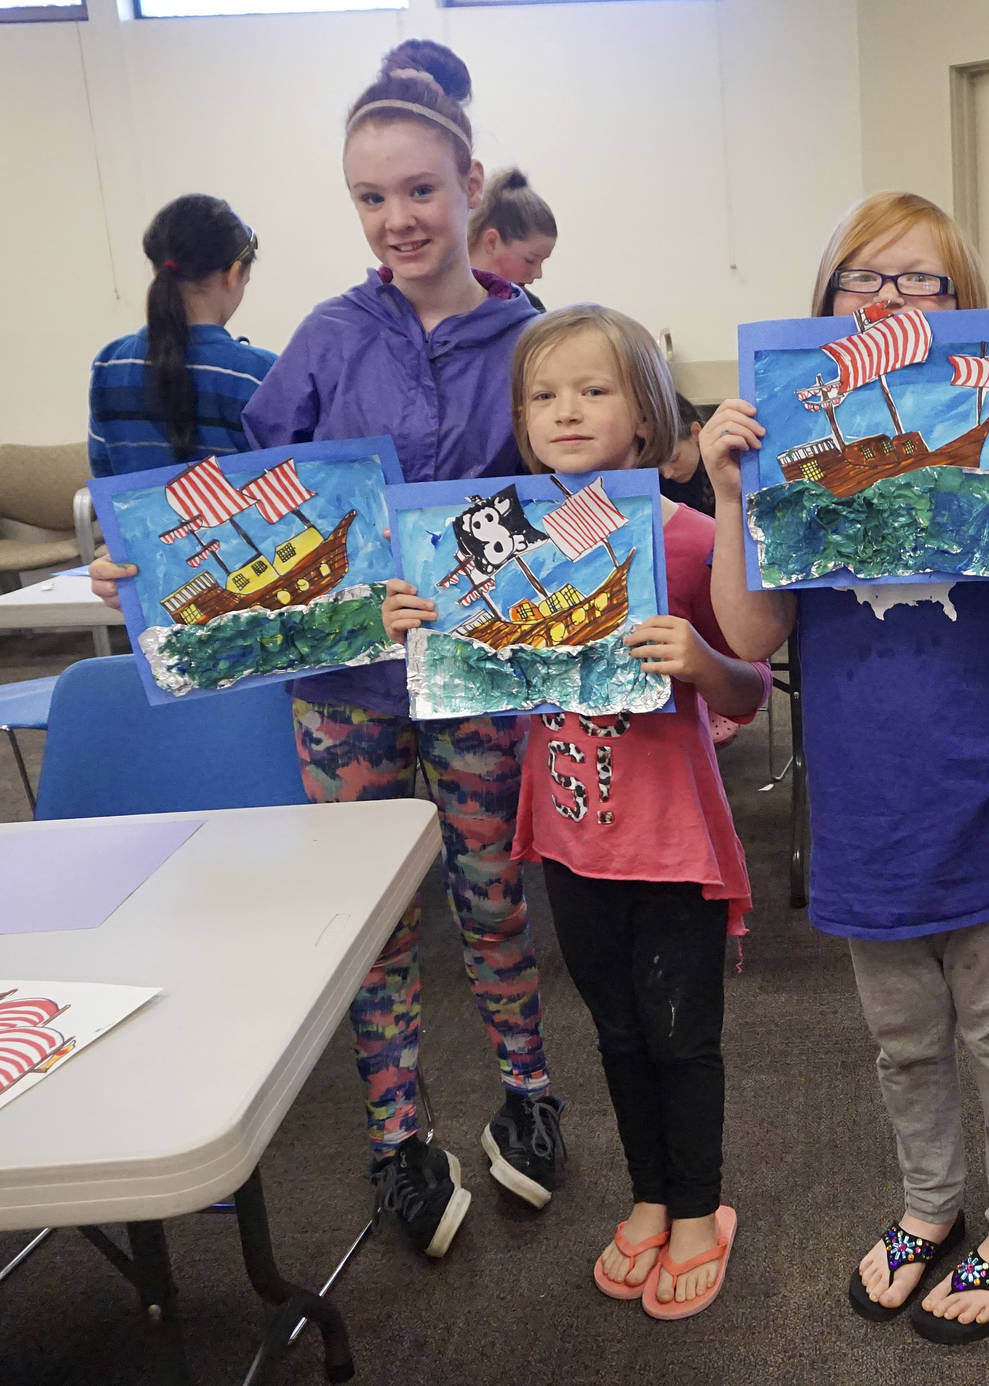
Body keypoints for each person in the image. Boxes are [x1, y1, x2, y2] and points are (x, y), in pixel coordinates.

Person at [699, 191, 989, 1344]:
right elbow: (749, 633)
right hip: (865, 810)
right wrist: (732, 496)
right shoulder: (794, 447)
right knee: (902, 1039)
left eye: (919, 282)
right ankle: (931, 1207)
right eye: (861, 281)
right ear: (825, 304)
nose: (887, 300)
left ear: (962, 308)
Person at [382, 305, 767, 1317]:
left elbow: (751, 686)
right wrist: (414, 619)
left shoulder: (682, 536)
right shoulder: (496, 536)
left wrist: (706, 661)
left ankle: (698, 1208)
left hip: (671, 843)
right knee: (616, 1036)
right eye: (543, 395)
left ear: (645, 419)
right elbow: (462, 655)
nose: (565, 411)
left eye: (594, 390)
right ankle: (650, 1195)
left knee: (682, 1038)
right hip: (565, 839)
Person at [243, 39, 556, 1260]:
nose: (397, 219)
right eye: (370, 198)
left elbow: (570, 504)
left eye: (419, 190)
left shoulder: (533, 336)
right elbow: (258, 507)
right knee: (373, 921)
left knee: (488, 899)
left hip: (480, 679)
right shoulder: (326, 337)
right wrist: (149, 566)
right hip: (344, 692)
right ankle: (395, 1134)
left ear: (468, 181)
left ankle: (528, 1092)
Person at [88, 194, 274, 476]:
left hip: (136, 522)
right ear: (234, 273)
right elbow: (294, 485)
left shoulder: (109, 365)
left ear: (155, 269)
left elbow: (106, 480)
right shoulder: (260, 375)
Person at [469, 168, 557, 310]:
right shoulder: (432, 297)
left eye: (542, 262)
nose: (538, 274)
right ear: (492, 242)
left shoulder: (532, 312)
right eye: (530, 260)